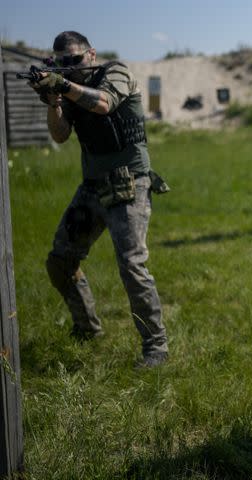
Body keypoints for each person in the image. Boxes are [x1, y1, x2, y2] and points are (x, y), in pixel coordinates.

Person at [30, 31, 169, 368]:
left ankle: (156, 348)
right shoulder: (70, 86)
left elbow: (104, 102)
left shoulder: (117, 73)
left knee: (132, 264)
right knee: (60, 260)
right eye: (62, 64)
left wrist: (63, 86)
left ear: (91, 54)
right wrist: (54, 100)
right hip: (93, 187)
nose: (70, 67)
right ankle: (87, 328)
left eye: (75, 60)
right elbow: (60, 135)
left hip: (129, 184)